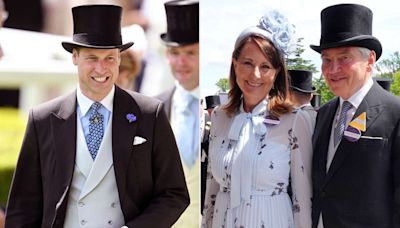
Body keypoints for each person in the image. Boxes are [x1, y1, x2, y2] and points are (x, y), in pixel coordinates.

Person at [5, 5, 189, 228]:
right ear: (75, 57)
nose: (101, 69)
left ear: (120, 59)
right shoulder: (43, 119)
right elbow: (22, 206)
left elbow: (174, 193)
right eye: (92, 58)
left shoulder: (149, 114)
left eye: (110, 58)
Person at [202, 10, 313, 228]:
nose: (255, 75)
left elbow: (303, 198)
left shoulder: (294, 120)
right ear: (235, 64)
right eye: (247, 63)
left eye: (265, 67)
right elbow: (211, 190)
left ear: (276, 73)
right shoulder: (220, 117)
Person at [310, 4, 400, 228]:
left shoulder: (395, 113)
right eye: (327, 60)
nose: (333, 69)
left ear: (370, 61)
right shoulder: (323, 114)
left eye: (344, 58)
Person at [156, 1, 200, 227]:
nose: (181, 62)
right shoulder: (153, 109)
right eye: (175, 53)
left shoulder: (225, 107)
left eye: (191, 53)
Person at [200, 95, 220, 213]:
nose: (212, 113)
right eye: (210, 111)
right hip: (205, 162)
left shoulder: (224, 123)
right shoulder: (207, 122)